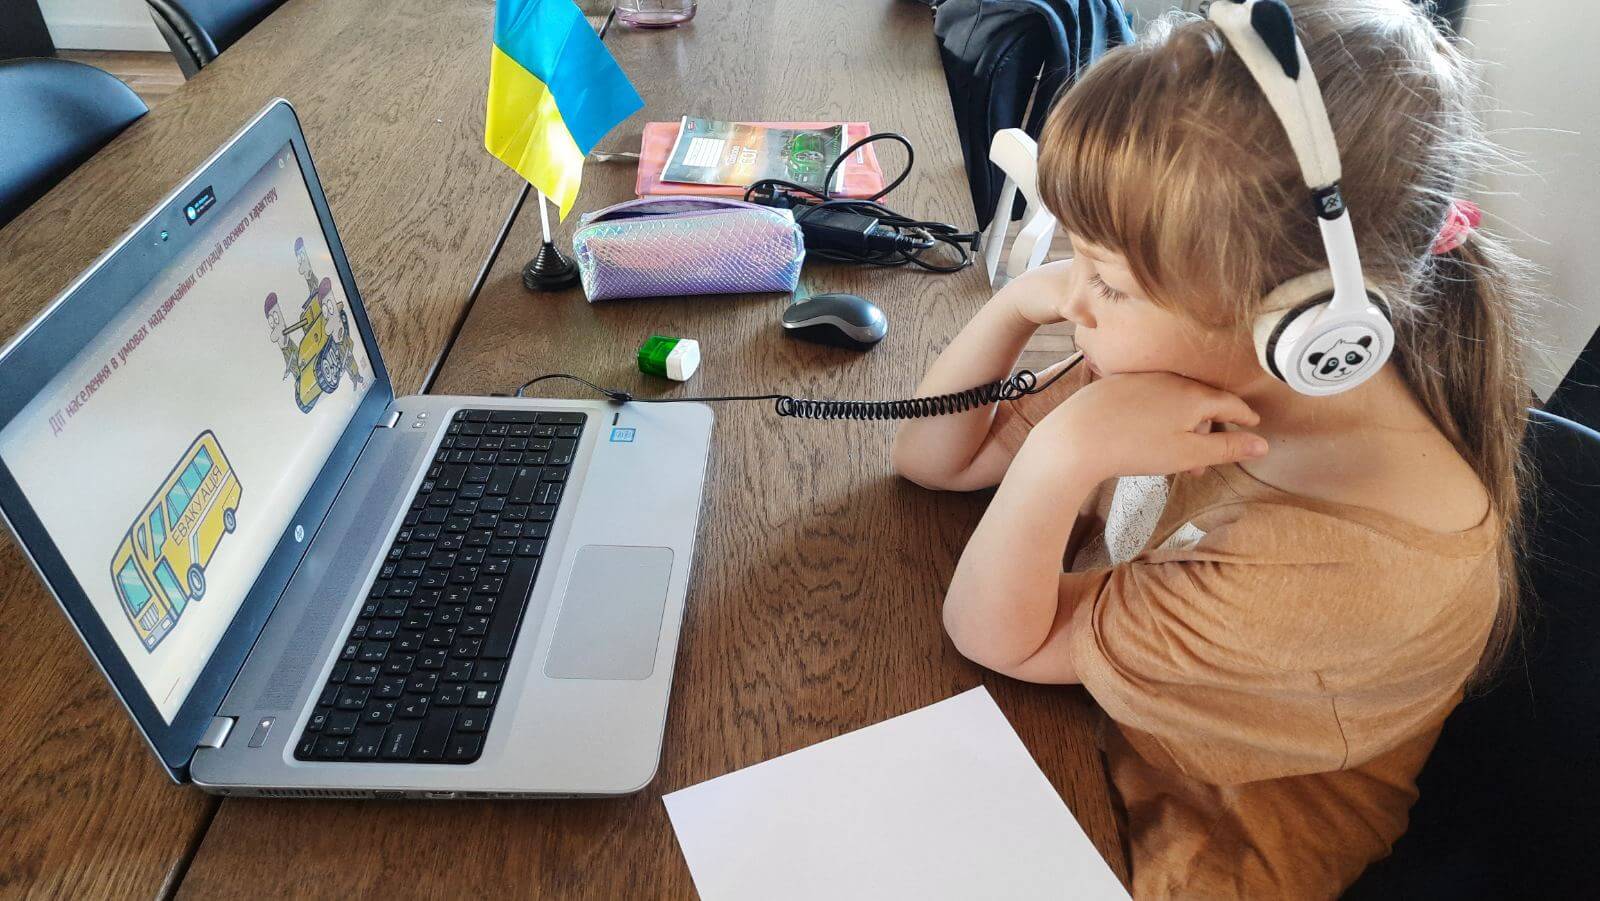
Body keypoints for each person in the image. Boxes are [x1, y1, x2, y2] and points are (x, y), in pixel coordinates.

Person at [891, 1, 1535, 896]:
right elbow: (934, 458)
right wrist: (1017, 304)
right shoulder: (1197, 352)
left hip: (1191, 842)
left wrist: (1061, 454)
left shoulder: (1339, 567)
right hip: (1082, 732)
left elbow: (992, 635)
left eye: (1107, 280)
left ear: (1304, 325)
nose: (1073, 301)